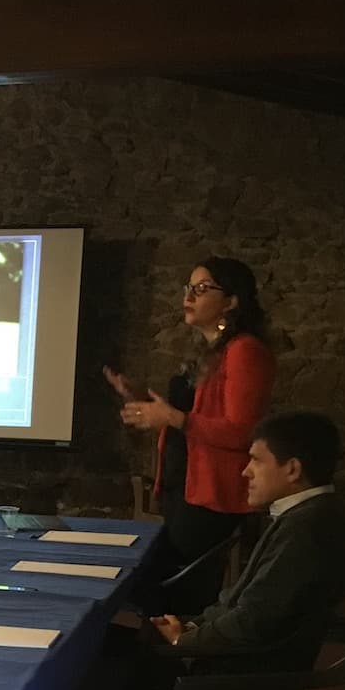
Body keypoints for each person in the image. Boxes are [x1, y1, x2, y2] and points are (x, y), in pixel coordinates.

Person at [106, 257, 275, 612]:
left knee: (164, 595)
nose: (190, 295)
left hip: (210, 495)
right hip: (183, 487)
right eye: (188, 288)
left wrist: (172, 417)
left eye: (202, 288)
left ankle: (171, 657)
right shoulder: (209, 352)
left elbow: (242, 431)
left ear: (231, 301)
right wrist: (144, 402)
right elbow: (194, 416)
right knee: (158, 590)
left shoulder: (245, 351)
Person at [151, 411, 345, 669]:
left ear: (292, 469)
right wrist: (192, 626)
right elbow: (243, 603)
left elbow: (253, 620)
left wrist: (183, 641)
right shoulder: (312, 515)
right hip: (238, 662)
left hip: (233, 680)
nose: (245, 472)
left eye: (256, 461)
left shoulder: (306, 529)